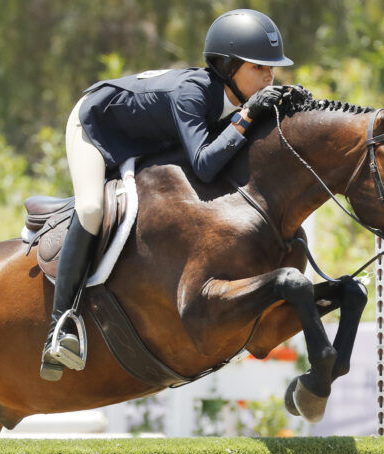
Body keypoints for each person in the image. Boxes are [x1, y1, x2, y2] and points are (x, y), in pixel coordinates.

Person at [40, 8, 294, 381]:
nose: (269, 76)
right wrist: (247, 116)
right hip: (95, 127)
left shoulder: (229, 99)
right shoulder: (192, 94)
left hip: (143, 141)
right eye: (259, 67)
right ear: (227, 66)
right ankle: (60, 325)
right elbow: (206, 164)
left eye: (272, 69)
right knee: (92, 207)